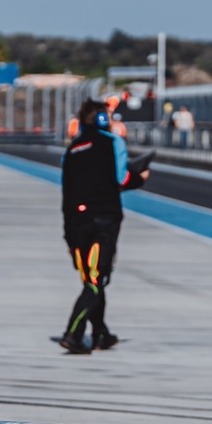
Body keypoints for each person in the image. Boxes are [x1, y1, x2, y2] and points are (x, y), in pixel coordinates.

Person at [57, 98, 147, 354]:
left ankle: (100, 334)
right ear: (102, 119)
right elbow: (122, 178)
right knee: (97, 280)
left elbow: (67, 194)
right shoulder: (112, 142)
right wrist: (140, 178)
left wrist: (68, 235)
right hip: (103, 220)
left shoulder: (71, 150)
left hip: (76, 223)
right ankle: (73, 333)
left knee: (92, 279)